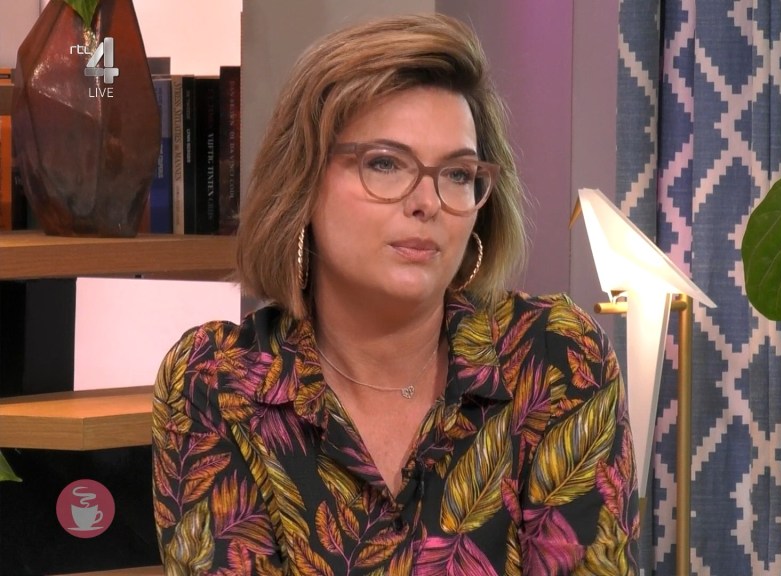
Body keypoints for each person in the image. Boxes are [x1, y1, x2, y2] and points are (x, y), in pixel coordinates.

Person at [152, 13, 638, 575]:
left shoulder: (557, 357)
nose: (427, 202)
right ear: (303, 182)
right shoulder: (217, 380)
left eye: (458, 174)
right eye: (385, 164)